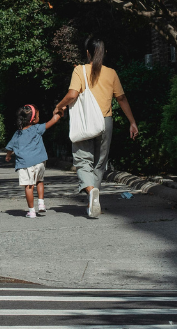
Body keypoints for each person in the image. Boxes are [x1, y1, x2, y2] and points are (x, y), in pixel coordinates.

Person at [55, 36, 139, 219]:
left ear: (87, 53)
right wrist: (132, 122)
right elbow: (122, 99)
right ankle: (93, 201)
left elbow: (72, 94)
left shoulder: (79, 70)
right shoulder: (112, 73)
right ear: (104, 53)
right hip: (105, 122)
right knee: (100, 163)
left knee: (83, 160)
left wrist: (59, 106)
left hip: (86, 122)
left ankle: (91, 192)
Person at [5, 104, 62, 218]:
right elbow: (53, 120)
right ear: (34, 119)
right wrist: (60, 112)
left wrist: (8, 156)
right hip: (40, 161)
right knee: (39, 181)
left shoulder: (17, 133)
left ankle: (31, 211)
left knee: (29, 186)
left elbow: (10, 148)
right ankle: (41, 203)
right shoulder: (37, 128)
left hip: (25, 164)